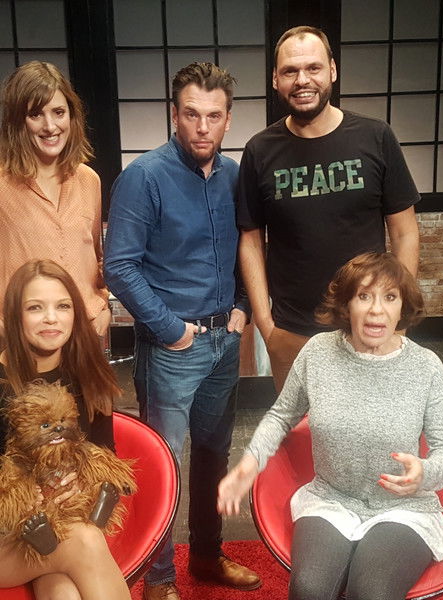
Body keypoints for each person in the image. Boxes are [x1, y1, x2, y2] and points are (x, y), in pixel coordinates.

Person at [218, 252, 443, 600]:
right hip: (331, 500)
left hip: (403, 509)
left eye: (389, 297)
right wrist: (250, 462)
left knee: (371, 592)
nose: (376, 310)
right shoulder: (318, 352)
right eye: (364, 296)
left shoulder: (426, 366)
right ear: (347, 305)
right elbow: (281, 416)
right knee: (309, 590)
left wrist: (425, 473)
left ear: (402, 307)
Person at [104, 62, 260, 600]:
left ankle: (208, 556)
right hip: (174, 345)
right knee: (164, 463)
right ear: (174, 114)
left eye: (214, 116)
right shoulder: (144, 177)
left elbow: (249, 249)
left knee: (214, 453)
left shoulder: (236, 176)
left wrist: (244, 307)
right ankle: (159, 578)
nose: (202, 127)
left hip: (225, 341)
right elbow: (119, 266)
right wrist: (172, 330)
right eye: (191, 114)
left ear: (228, 119)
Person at [237, 26, 421, 393]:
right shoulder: (260, 150)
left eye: (313, 68)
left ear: (332, 71)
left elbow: (404, 233)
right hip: (291, 331)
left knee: (371, 425)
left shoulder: (375, 137)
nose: (302, 80)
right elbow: (251, 241)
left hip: (368, 327)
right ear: (275, 79)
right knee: (299, 426)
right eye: (290, 71)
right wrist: (266, 325)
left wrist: (396, 319)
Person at [0, 259, 129, 600]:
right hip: (6, 536)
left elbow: (106, 457)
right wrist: (30, 493)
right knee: (84, 539)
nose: (51, 318)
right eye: (35, 308)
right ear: (15, 316)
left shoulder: (90, 374)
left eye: (62, 306)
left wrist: (81, 483)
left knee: (63, 593)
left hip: (58, 525)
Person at [0, 61, 111, 344]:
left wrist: (102, 304)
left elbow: (96, 256)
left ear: (71, 116)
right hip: (20, 339)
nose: (50, 126)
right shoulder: (2, 184)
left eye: (59, 112)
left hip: (84, 334)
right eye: (36, 114)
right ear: (17, 121)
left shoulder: (89, 180)